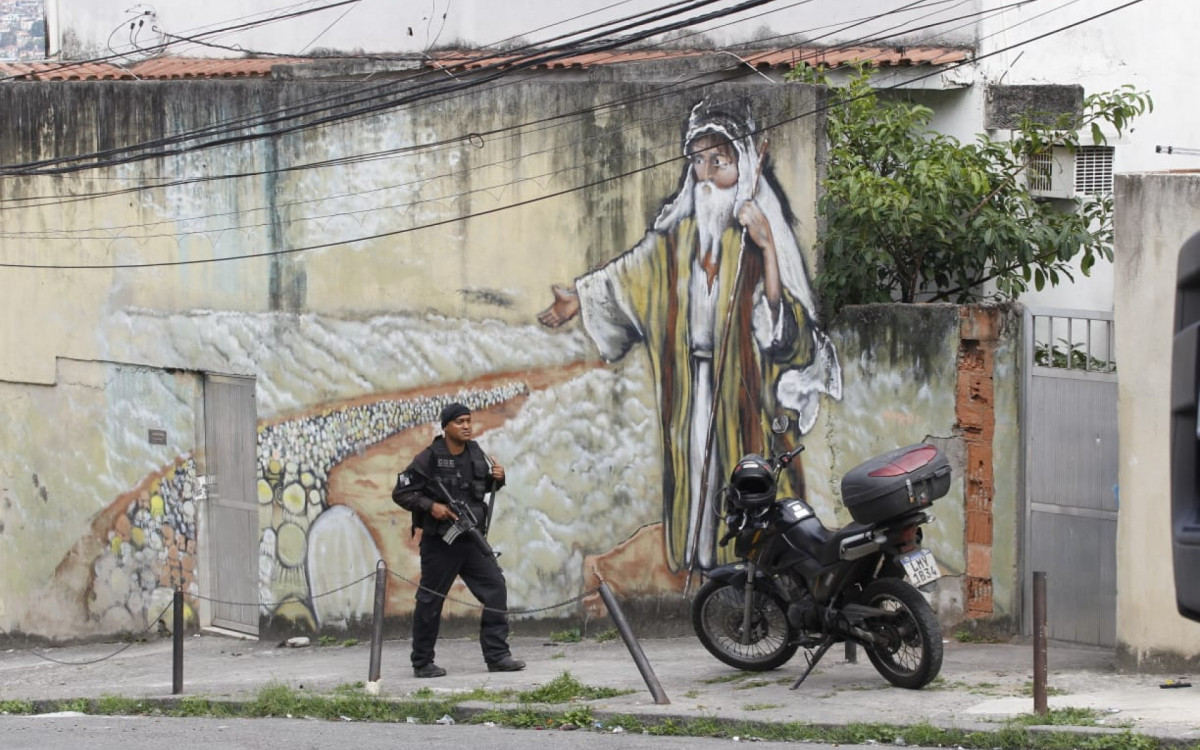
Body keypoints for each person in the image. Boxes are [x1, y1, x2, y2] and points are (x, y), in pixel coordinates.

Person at [538, 97, 841, 573]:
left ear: (742, 167)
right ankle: (705, 568)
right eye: (698, 162)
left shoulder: (757, 244)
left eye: (718, 163)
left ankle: (749, 574)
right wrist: (581, 294)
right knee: (695, 471)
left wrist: (769, 252)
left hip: (745, 397)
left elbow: (787, 337)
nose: (704, 176)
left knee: (745, 480)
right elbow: (631, 274)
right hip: (692, 388)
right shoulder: (677, 245)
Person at [391, 402, 525, 677]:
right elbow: (401, 492)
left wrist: (498, 478)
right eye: (459, 422)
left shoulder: (476, 452)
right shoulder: (428, 458)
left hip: (471, 539)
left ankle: (497, 656)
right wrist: (432, 507)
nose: (466, 426)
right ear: (446, 426)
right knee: (431, 600)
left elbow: (480, 486)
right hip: (441, 543)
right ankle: (422, 662)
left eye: (468, 421)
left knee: (495, 587)